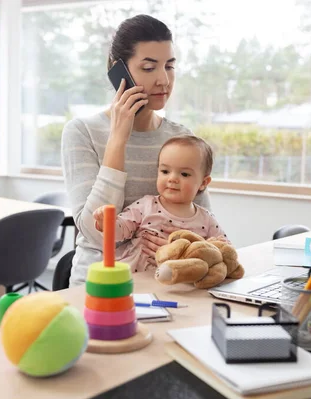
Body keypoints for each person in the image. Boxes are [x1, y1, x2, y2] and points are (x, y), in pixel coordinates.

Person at [61, 14, 211, 286]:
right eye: (149, 67)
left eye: (170, 66)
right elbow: (96, 236)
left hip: (168, 284)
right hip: (101, 288)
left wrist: (175, 244)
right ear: (119, 72)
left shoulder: (181, 138)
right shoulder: (81, 132)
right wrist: (118, 138)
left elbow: (202, 227)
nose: (164, 80)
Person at [93, 135, 228, 272]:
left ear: (203, 183)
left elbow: (225, 251)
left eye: (184, 174)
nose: (172, 178)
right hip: (137, 278)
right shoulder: (146, 205)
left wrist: (201, 250)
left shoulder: (206, 219)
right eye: (165, 171)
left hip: (180, 284)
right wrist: (106, 222)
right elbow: (120, 231)